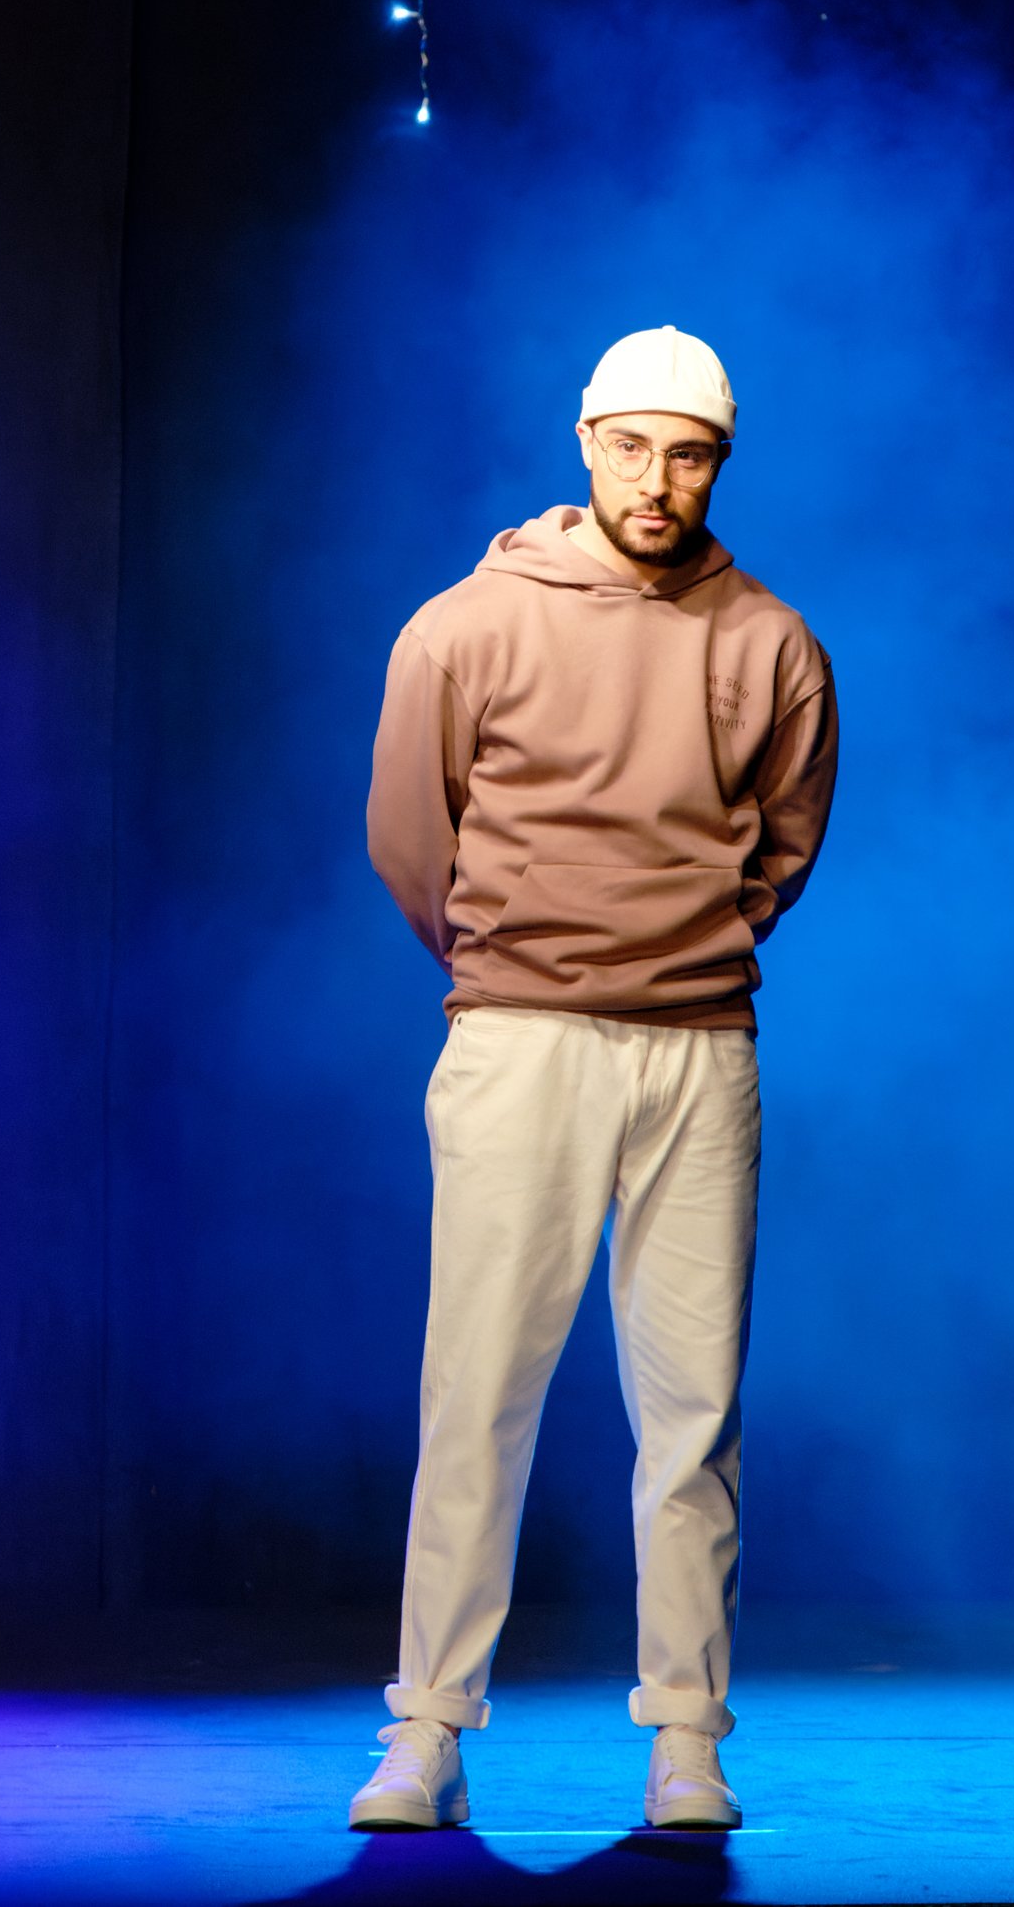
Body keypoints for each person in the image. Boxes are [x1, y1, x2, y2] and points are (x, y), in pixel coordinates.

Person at [347, 325, 839, 1836]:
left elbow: (786, 846)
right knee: (475, 1396)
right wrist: (515, 966)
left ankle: (686, 1738)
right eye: (632, 445)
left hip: (699, 1051)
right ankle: (428, 1727)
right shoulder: (465, 626)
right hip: (517, 1045)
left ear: (720, 463)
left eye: (687, 452)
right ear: (585, 444)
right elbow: (406, 839)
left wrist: (679, 956)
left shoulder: (772, 644)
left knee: (693, 1418)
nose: (658, 478)